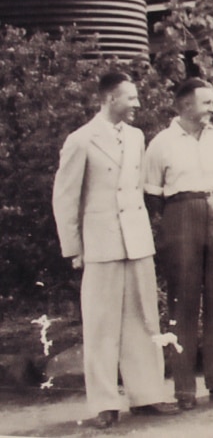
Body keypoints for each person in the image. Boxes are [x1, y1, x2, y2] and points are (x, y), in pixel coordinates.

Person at [52, 71, 179, 429]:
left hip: (136, 241)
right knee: (101, 324)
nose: (137, 104)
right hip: (102, 242)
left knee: (144, 319)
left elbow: (136, 190)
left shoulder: (137, 137)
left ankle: (147, 394)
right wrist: (74, 247)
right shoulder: (81, 140)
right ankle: (105, 403)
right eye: (131, 98)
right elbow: (65, 197)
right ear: (110, 99)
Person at [143, 78, 213, 409]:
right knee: (183, 300)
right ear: (185, 106)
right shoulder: (161, 143)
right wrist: (174, 225)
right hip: (180, 214)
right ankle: (184, 389)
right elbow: (153, 195)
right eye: (207, 102)